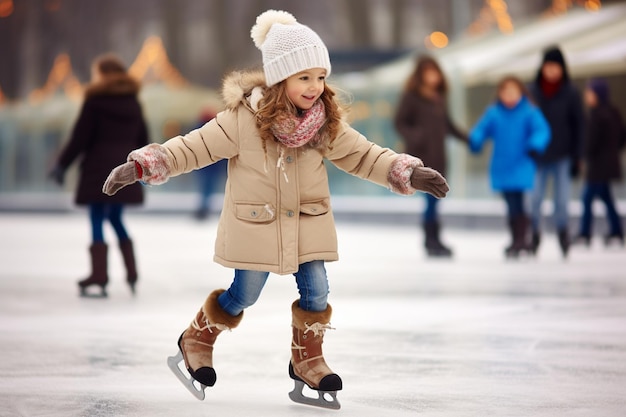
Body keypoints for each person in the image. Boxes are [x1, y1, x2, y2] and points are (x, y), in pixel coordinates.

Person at [102, 10, 448, 410]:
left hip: (308, 225)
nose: (315, 87)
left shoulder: (326, 124)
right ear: (280, 77)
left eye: (321, 77)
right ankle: (197, 338)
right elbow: (192, 148)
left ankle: (308, 360)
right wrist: (143, 165)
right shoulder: (240, 121)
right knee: (245, 293)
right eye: (305, 77)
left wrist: (406, 171)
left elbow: (363, 155)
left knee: (317, 289)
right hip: (256, 225)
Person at [50, 53, 148, 297]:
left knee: (97, 216)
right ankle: (132, 271)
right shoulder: (133, 102)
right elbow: (143, 139)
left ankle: (99, 274)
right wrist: (143, 168)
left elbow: (80, 138)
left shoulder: (95, 101)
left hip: (98, 169)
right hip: (125, 170)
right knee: (115, 218)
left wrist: (62, 165)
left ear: (102, 75)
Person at [394, 55, 468, 257]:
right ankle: (431, 240)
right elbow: (400, 123)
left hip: (439, 156)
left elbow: (448, 125)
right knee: (431, 200)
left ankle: (434, 239)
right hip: (422, 158)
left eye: (435, 72)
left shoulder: (439, 97)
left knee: (435, 198)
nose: (432, 77)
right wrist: (417, 136)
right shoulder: (411, 97)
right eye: (428, 73)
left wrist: (467, 138)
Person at [469, 76, 551, 258]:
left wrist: (535, 145)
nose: (509, 96)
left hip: (522, 163)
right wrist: (475, 139)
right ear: (500, 94)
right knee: (511, 205)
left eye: (513, 92)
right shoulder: (494, 113)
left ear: (521, 93)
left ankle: (522, 239)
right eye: (506, 92)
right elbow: (481, 129)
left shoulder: (529, 111)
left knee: (522, 204)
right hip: (503, 165)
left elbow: (542, 130)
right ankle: (517, 238)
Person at [528, 46, 585, 258]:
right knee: (534, 198)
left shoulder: (570, 92)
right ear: (542, 67)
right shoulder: (532, 91)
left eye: (556, 66)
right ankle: (533, 233)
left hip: (563, 155)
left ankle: (563, 233)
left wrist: (578, 156)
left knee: (562, 200)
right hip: (537, 157)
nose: (552, 70)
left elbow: (579, 125)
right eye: (548, 66)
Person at [573, 78, 625, 247]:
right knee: (607, 199)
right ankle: (616, 232)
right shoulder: (613, 112)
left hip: (597, 167)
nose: (587, 97)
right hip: (609, 164)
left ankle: (584, 233)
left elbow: (590, 142)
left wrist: (582, 156)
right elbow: (622, 138)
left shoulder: (596, 115)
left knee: (587, 199)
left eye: (590, 93)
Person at [192, 107, 227, 220]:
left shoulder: (199, 131)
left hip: (205, 167)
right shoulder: (216, 130)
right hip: (212, 167)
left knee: (206, 188)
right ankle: (204, 208)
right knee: (208, 188)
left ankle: (204, 208)